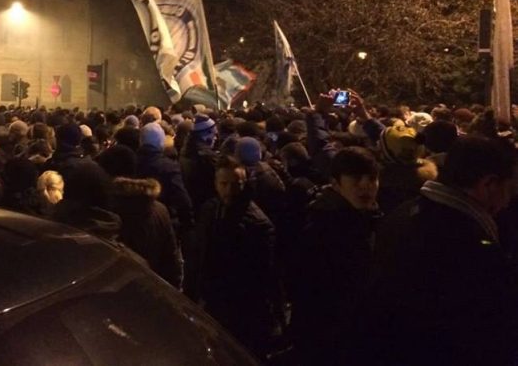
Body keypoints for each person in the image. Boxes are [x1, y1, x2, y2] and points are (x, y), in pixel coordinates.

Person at [359, 136, 518, 366]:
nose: (509, 200)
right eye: (510, 189)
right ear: (489, 184)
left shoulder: (404, 213)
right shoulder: (468, 245)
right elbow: (486, 333)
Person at [289, 146, 381, 365]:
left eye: (372, 178)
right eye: (356, 178)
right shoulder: (322, 227)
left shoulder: (369, 218)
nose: (365, 185)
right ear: (336, 183)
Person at [196, 156, 276, 359]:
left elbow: (263, 274)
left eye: (236, 184)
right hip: (214, 299)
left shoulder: (258, 224)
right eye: (224, 184)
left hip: (241, 307)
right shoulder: (211, 210)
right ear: (215, 183)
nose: (229, 190)